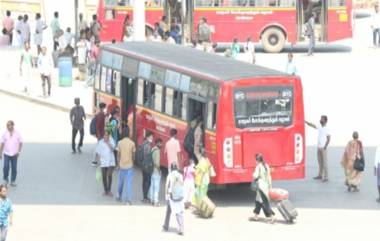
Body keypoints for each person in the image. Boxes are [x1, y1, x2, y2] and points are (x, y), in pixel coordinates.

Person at [306, 115, 331, 182]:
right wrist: (307, 122)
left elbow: (329, 139)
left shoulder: (327, 129)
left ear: (325, 120)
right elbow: (313, 125)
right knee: (320, 162)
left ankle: (326, 177)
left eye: (322, 119)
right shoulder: (320, 126)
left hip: (323, 148)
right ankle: (320, 175)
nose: (320, 120)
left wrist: (325, 146)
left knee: (325, 162)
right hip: (319, 147)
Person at [251, 153, 275, 224]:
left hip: (260, 186)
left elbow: (255, 176)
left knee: (264, 203)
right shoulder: (266, 166)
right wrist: (270, 186)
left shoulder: (258, 166)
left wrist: (253, 174)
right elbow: (269, 177)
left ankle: (271, 217)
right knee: (258, 201)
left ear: (257, 160)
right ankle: (256, 216)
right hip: (266, 186)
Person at [162, 163, 185, 236]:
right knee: (179, 211)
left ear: (171, 168)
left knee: (170, 211)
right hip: (179, 196)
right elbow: (182, 184)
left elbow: (166, 185)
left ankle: (167, 226)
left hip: (171, 196)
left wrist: (166, 194)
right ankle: (178, 226)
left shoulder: (170, 175)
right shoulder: (180, 175)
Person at [0, 121, 23, 187]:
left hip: (14, 154)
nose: (7, 127)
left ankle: (13, 181)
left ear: (13, 125)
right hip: (6, 153)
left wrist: (19, 152)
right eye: (7, 125)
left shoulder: (17, 133)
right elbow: (2, 143)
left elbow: (21, 143)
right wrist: (0, 153)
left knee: (14, 168)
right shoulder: (5, 133)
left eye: (9, 125)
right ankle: (5, 179)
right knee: (5, 167)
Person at [116, 128, 136, 205]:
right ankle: (128, 200)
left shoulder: (119, 143)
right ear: (129, 134)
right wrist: (132, 162)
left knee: (120, 182)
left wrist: (118, 163)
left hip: (122, 165)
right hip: (129, 165)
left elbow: (118, 154)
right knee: (129, 183)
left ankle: (119, 196)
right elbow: (134, 155)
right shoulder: (132, 143)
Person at [95, 132, 116, 196]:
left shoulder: (111, 141)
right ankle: (105, 190)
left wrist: (108, 143)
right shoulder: (100, 142)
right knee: (104, 177)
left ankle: (109, 190)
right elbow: (98, 152)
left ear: (109, 136)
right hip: (103, 162)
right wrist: (98, 162)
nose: (105, 137)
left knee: (109, 175)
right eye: (104, 135)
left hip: (110, 162)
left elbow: (113, 149)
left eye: (106, 135)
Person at [149, 138, 162, 206]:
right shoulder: (157, 151)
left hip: (151, 170)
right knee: (156, 187)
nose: (161, 144)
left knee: (152, 186)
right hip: (156, 171)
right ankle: (156, 201)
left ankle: (151, 199)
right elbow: (157, 163)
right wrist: (159, 170)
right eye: (160, 143)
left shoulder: (152, 149)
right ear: (157, 143)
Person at [141, 131, 154, 203]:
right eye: (151, 137)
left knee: (144, 181)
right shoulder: (148, 145)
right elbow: (147, 155)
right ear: (148, 137)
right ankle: (145, 197)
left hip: (143, 165)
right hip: (147, 166)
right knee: (148, 181)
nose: (152, 138)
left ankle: (144, 196)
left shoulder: (143, 143)